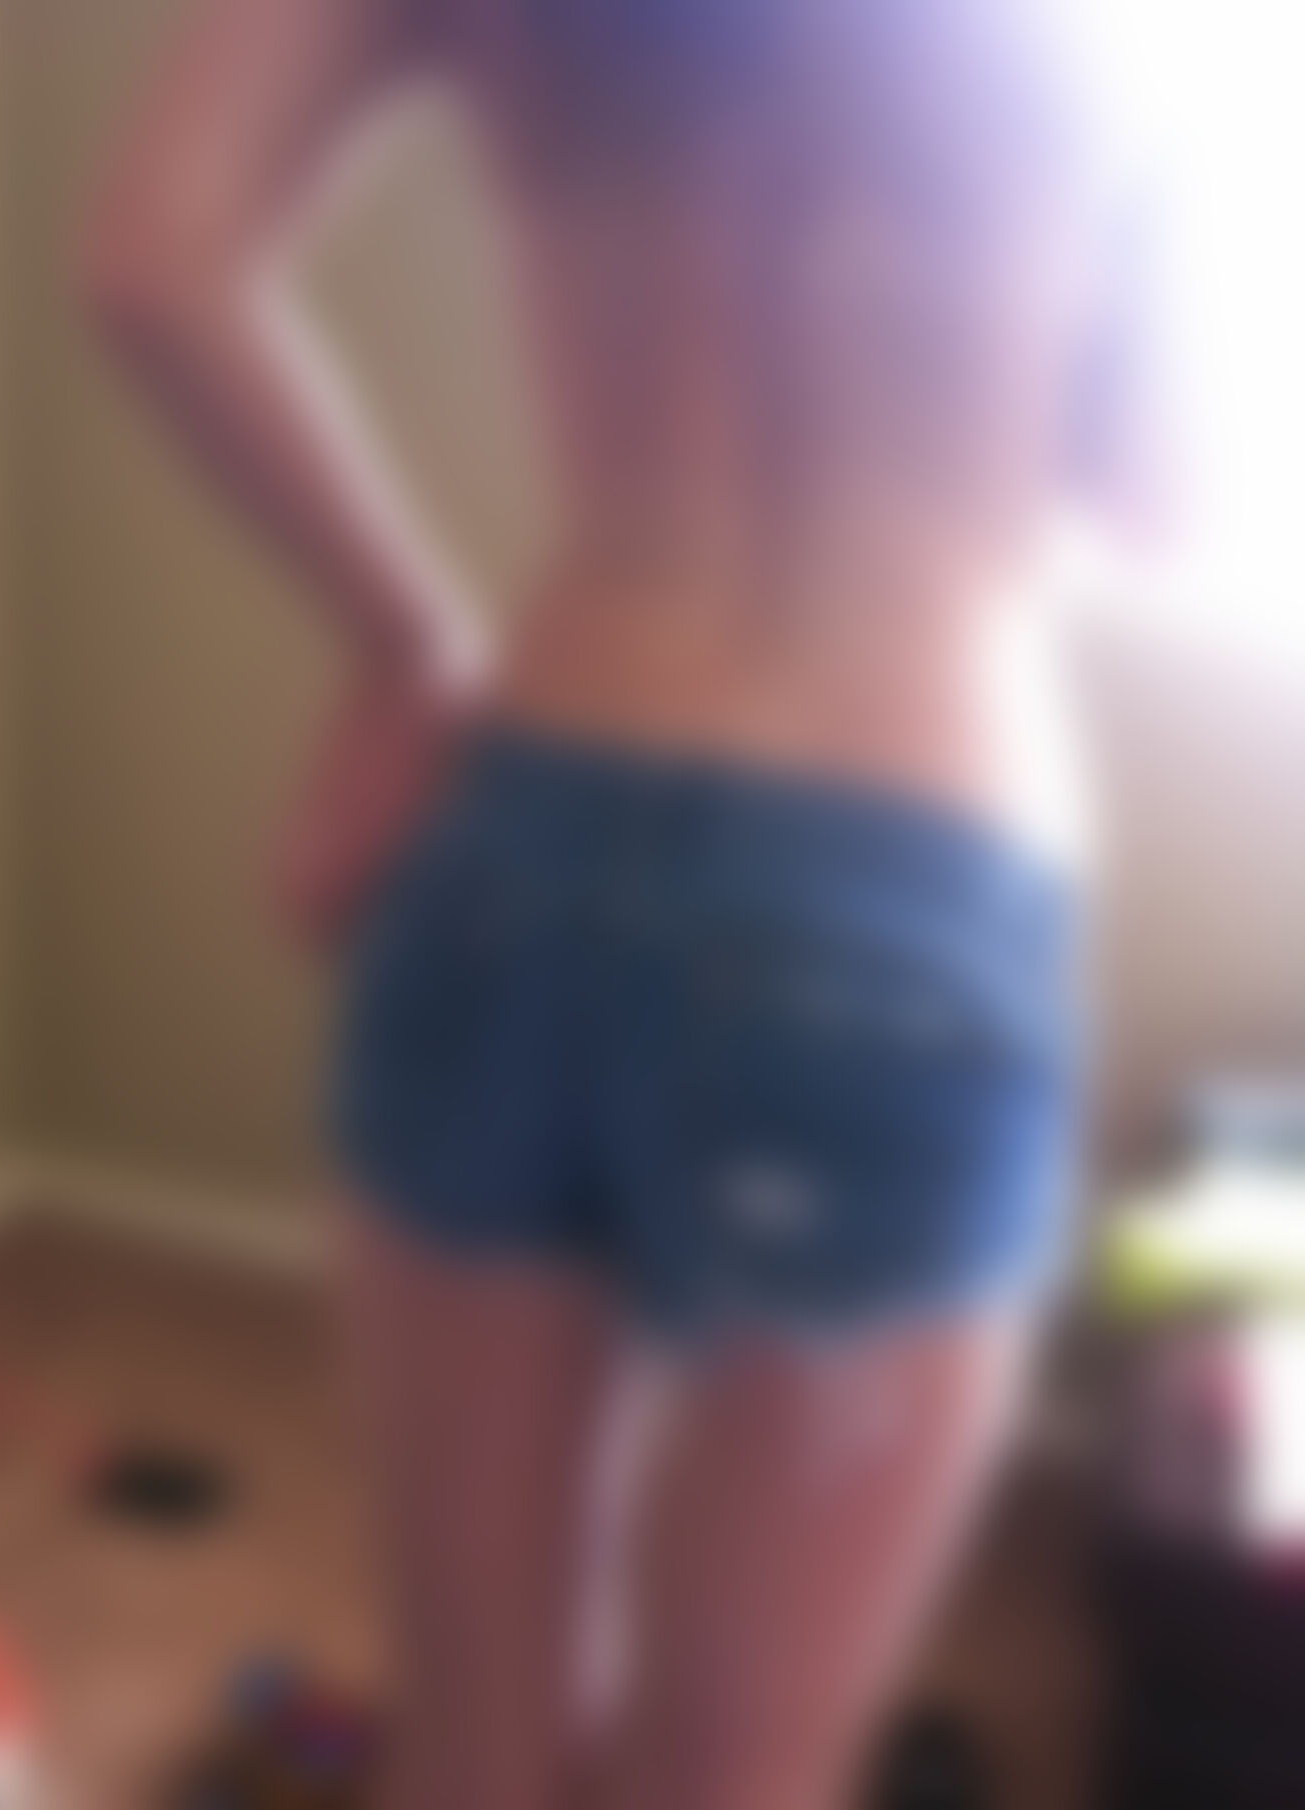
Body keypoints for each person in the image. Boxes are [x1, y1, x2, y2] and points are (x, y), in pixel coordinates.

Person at [80, 2, 1169, 1805]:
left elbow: (150, 258)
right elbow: (1158, 493)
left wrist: (399, 636)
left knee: (473, 1761)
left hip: (520, 843)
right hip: (903, 873)